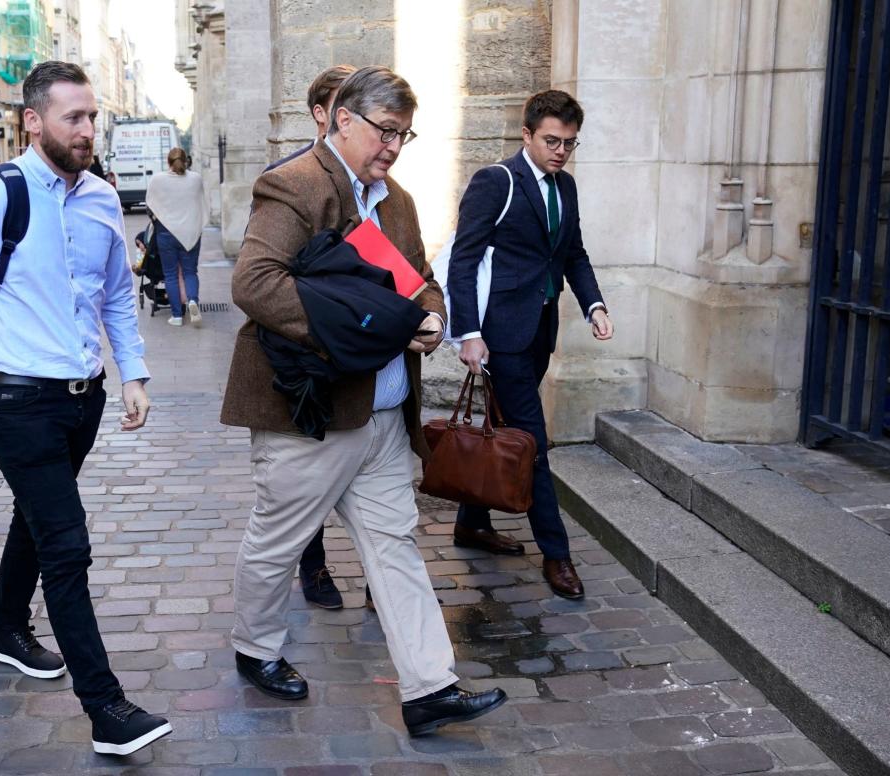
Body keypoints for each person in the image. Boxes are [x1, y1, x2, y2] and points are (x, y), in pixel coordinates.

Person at [223, 65, 507, 737]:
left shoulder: (397, 201)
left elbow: (421, 283)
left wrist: (432, 316)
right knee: (277, 542)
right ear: (340, 120)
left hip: (383, 413)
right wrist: (372, 323)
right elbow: (255, 285)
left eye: (404, 135)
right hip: (310, 416)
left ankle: (429, 688)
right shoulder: (293, 187)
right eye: (385, 131)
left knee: (395, 546)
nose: (393, 147)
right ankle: (255, 648)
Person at [0, 61, 171, 757]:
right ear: (33, 121)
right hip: (15, 398)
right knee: (66, 543)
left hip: (80, 401)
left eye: (92, 117)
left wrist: (133, 375)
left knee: (37, 514)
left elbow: (115, 293)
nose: (89, 130)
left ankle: (5, 626)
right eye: (74, 118)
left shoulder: (99, 199)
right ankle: (106, 708)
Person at [447, 89, 614, 600]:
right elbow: (463, 259)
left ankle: (471, 523)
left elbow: (574, 254)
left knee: (502, 426)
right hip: (501, 338)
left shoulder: (567, 188)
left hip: (539, 332)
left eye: (569, 142)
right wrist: (469, 334)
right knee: (533, 444)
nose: (561, 150)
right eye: (551, 140)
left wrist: (594, 305)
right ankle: (557, 555)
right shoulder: (495, 181)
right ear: (527, 135)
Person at [259, 63, 356, 610]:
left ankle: (380, 582)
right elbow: (268, 279)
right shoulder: (288, 177)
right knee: (308, 471)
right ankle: (312, 568)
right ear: (323, 115)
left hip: (365, 356)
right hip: (308, 352)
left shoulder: (378, 184)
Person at [145, 147, 207, 327]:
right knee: (190, 272)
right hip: (190, 233)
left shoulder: (157, 179)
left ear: (168, 162)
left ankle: (177, 316)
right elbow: (201, 204)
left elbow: (150, 205)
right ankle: (193, 301)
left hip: (166, 233)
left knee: (170, 275)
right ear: (186, 161)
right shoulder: (196, 179)